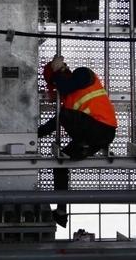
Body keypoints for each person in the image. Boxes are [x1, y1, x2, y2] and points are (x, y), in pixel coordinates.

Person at [38, 55, 117, 227]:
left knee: (64, 115)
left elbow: (65, 88)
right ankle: (61, 212)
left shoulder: (83, 74)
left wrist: (57, 70)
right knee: (60, 164)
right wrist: (31, 136)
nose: (56, 87)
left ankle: (83, 145)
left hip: (101, 129)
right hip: (91, 137)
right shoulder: (68, 100)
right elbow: (53, 124)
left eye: (55, 82)